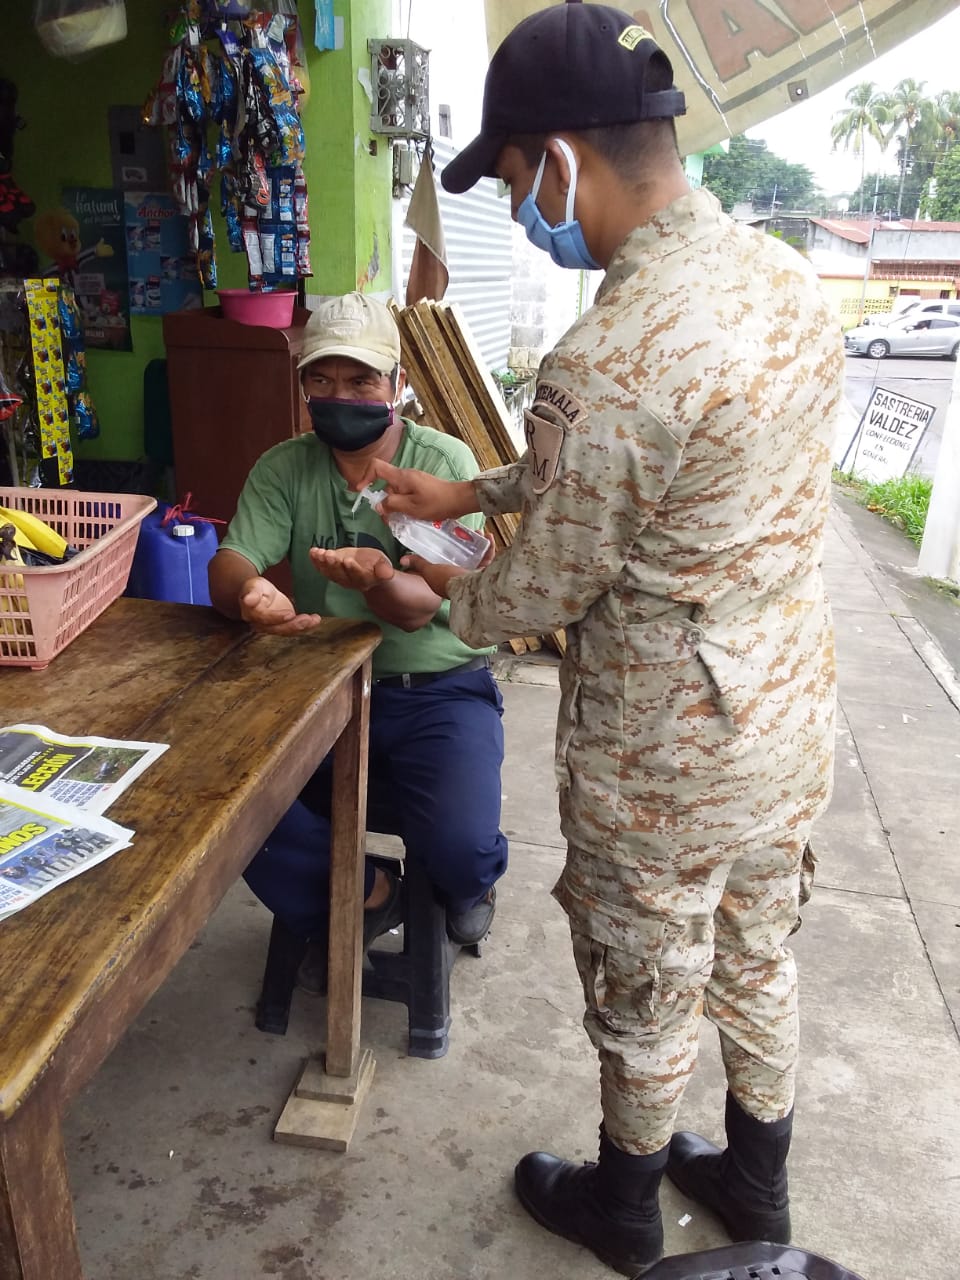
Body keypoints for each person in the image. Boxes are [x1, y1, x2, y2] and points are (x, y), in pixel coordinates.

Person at [359, 4, 843, 1275]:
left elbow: (538, 588)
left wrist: (434, 594)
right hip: (785, 703)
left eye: (518, 179)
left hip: (665, 741)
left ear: (563, 160)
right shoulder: (786, 282)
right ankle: (756, 1182)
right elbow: (663, 471)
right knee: (757, 949)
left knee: (647, 967)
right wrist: (471, 489)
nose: (523, 210)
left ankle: (624, 1201)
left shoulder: (611, 353)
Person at [208, 292, 507, 990]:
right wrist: (248, 594)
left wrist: (378, 581)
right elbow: (231, 561)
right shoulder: (285, 467)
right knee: (231, 806)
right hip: (326, 684)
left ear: (396, 383)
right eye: (321, 379)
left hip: (439, 690)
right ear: (303, 385)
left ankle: (470, 885)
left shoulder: (439, 463)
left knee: (460, 848)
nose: (339, 396)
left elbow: (421, 609)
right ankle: (372, 891)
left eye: (361, 379)